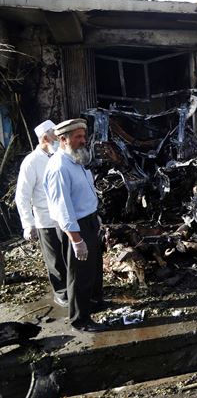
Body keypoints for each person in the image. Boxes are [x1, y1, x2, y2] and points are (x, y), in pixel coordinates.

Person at [44, 118, 105, 333]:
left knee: (94, 268)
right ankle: (80, 320)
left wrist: (95, 218)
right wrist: (76, 240)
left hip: (88, 221)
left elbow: (84, 194)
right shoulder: (59, 167)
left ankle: (95, 304)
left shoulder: (76, 160)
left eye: (83, 135)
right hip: (75, 226)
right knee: (80, 274)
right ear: (63, 139)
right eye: (78, 137)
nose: (83, 140)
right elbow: (63, 208)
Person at [15, 120, 68, 307]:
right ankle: (61, 292)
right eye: (55, 134)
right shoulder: (31, 161)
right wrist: (28, 224)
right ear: (45, 137)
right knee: (54, 260)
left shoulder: (60, 156)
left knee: (68, 256)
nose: (59, 138)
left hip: (65, 217)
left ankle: (72, 288)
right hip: (45, 219)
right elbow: (22, 195)